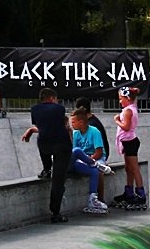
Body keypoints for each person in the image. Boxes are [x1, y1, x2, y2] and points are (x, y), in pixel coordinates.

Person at [21, 89, 73, 223]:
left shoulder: (34, 109)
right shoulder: (60, 109)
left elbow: (43, 127)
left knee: (43, 146)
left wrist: (31, 130)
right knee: (58, 181)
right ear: (51, 98)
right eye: (56, 99)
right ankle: (55, 213)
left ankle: (46, 168)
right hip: (62, 145)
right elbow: (60, 125)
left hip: (45, 144)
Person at [69, 108, 116, 214]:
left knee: (98, 172)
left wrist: (91, 159)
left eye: (73, 122)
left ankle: (100, 199)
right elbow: (75, 152)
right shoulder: (75, 133)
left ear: (81, 122)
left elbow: (99, 152)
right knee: (88, 162)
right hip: (83, 158)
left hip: (96, 157)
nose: (72, 124)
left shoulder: (94, 131)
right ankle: (97, 166)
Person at [110, 86, 147, 210]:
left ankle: (141, 194)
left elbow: (126, 127)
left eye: (121, 98)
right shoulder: (130, 108)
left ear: (127, 98)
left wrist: (117, 120)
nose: (120, 101)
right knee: (128, 168)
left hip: (130, 142)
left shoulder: (128, 111)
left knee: (134, 168)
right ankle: (129, 191)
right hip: (126, 142)